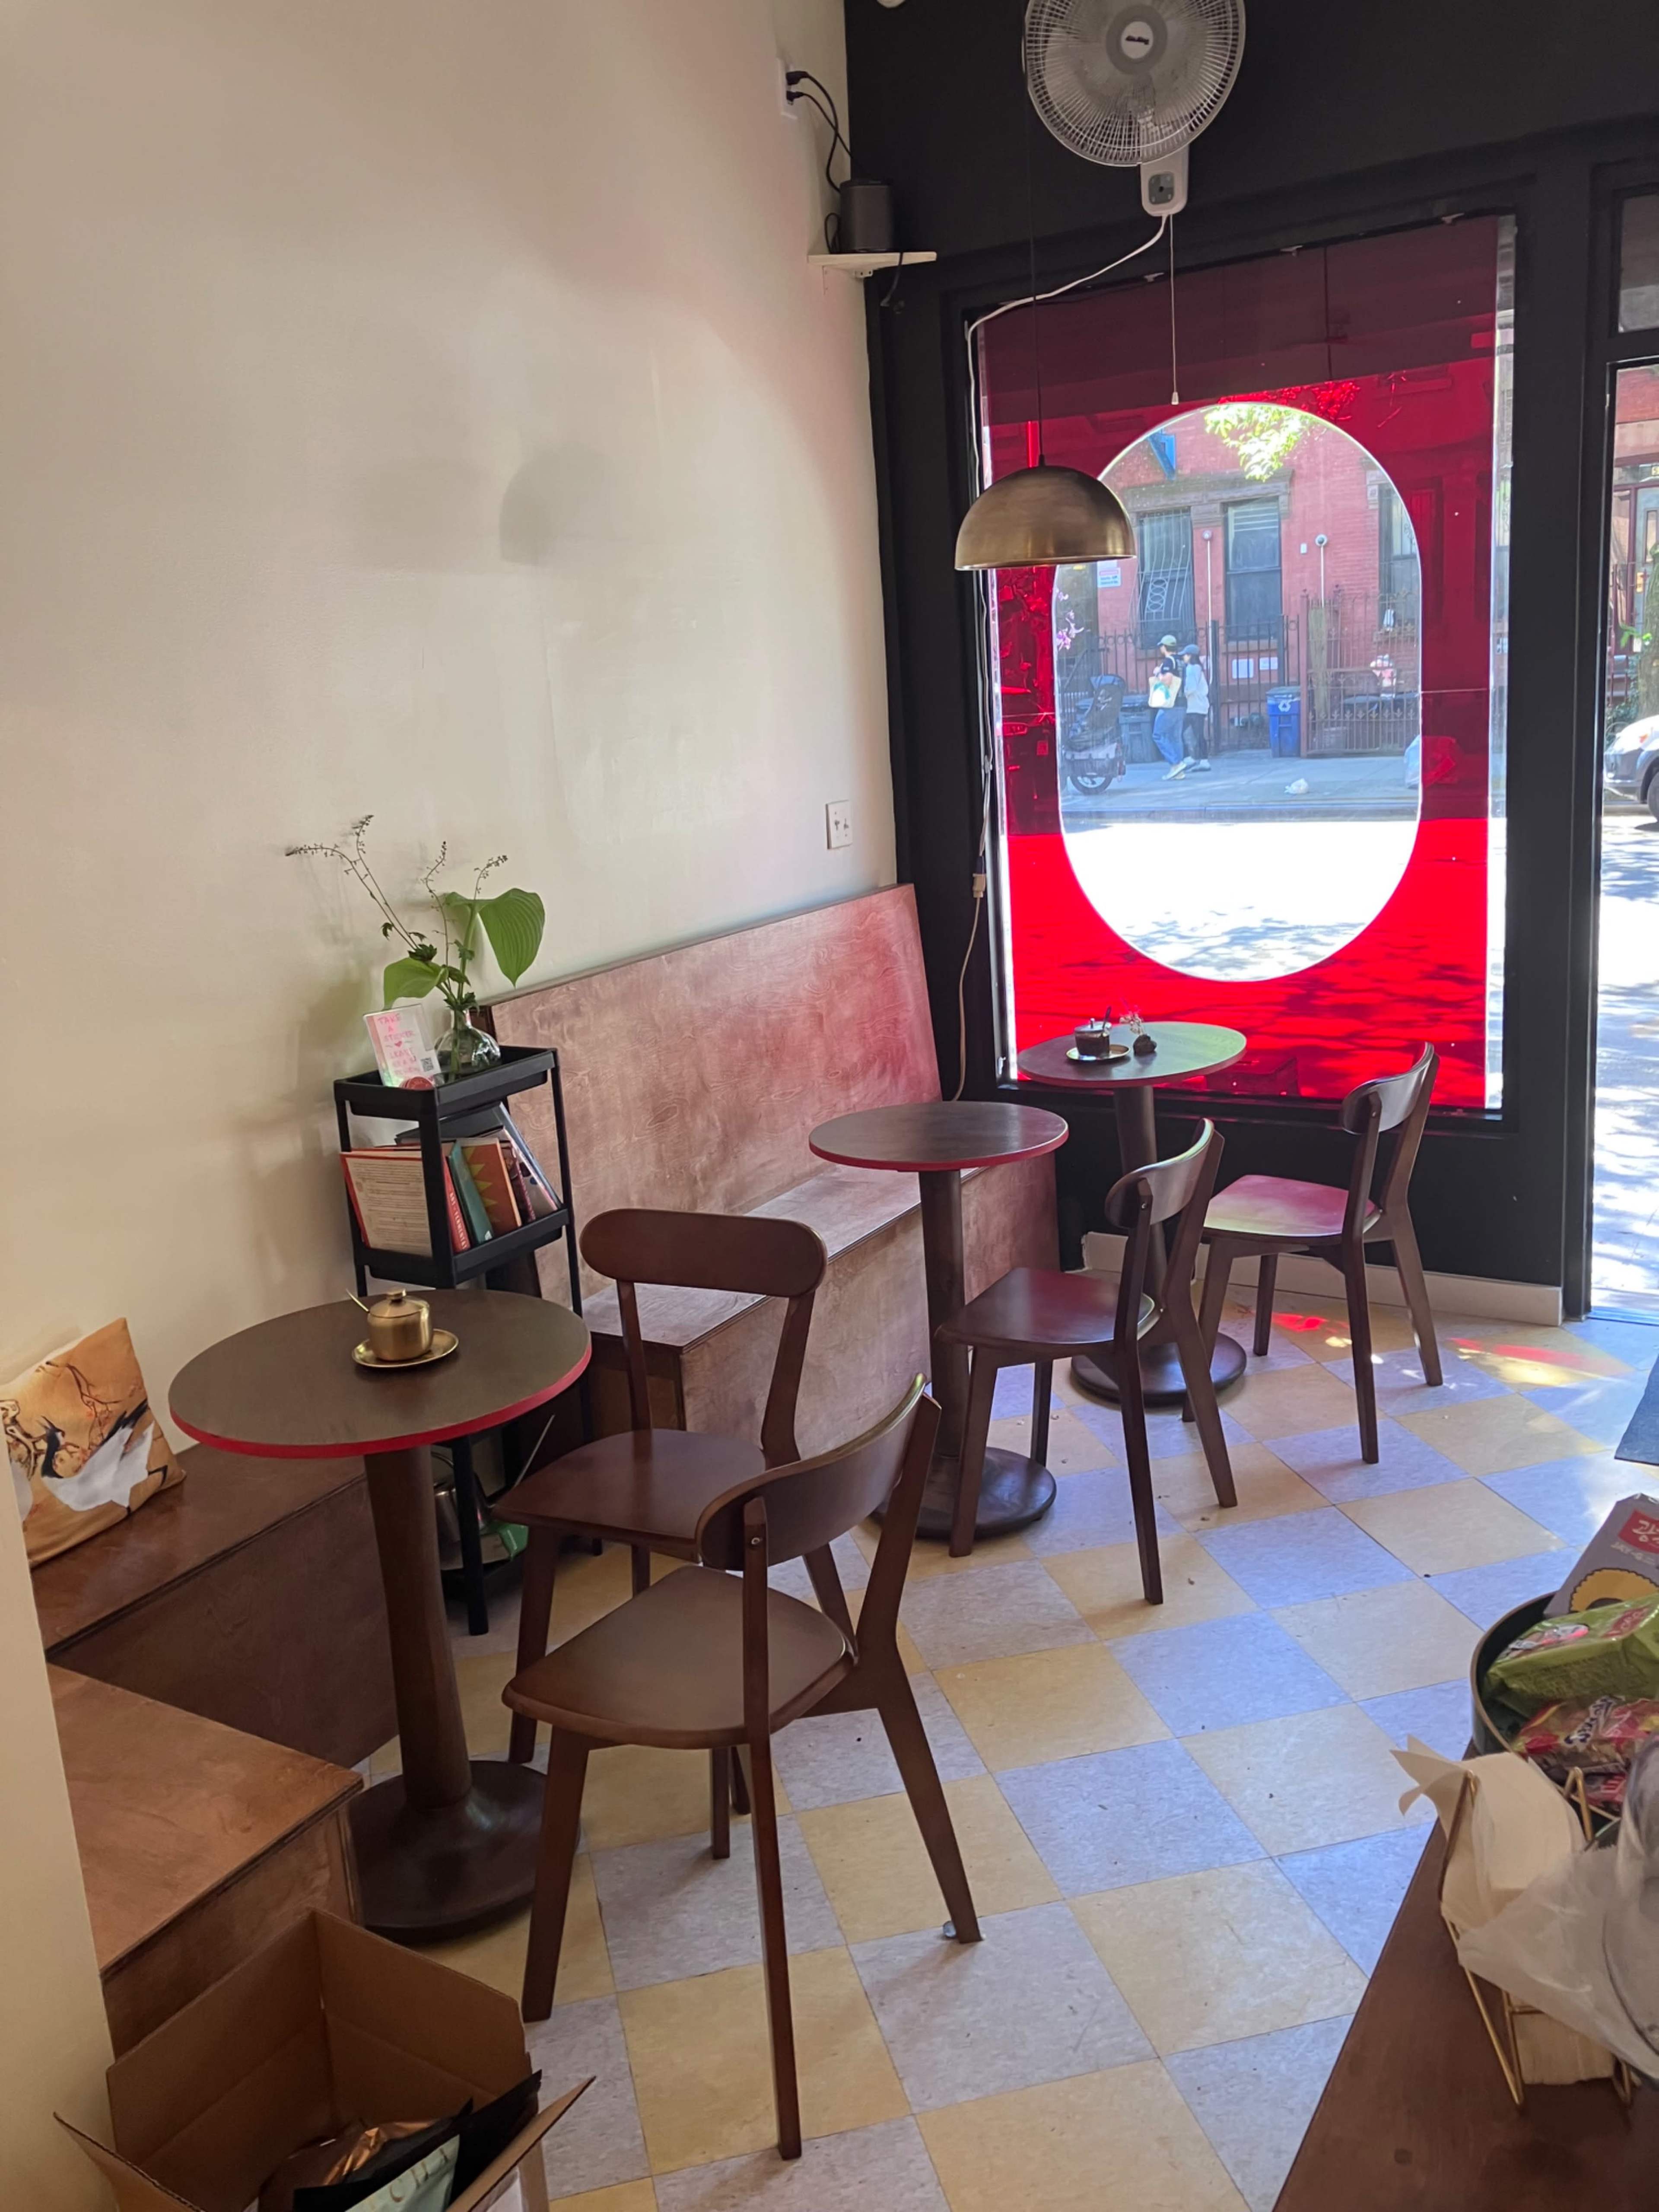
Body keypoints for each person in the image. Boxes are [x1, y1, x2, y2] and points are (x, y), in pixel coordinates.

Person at [1148, 635, 1185, 775]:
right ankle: (1179, 770)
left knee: (1158, 734)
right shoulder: (1181, 661)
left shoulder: (1169, 662)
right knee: (1175, 737)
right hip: (1182, 703)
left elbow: (1167, 681)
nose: (1160, 649)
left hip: (1171, 704)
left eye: (1161, 646)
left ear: (1165, 647)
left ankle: (1176, 764)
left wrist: (1158, 673)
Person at [1180, 645, 1212, 772]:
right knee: (1196, 734)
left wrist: (1183, 693)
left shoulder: (1192, 669)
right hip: (1196, 706)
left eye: (1186, 655)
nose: (1184, 657)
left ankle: (1196, 759)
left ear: (1191, 656)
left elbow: (1191, 688)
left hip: (1195, 706)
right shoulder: (1197, 668)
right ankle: (1199, 759)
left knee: (1190, 733)